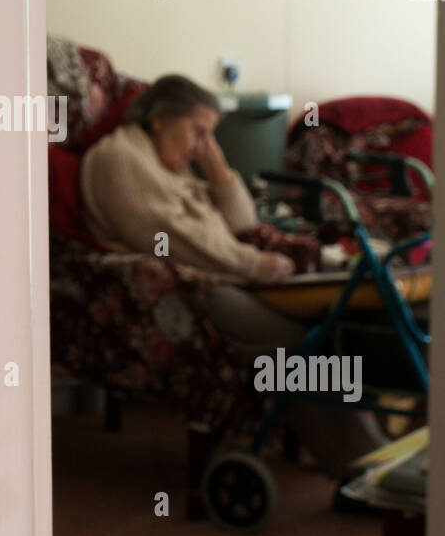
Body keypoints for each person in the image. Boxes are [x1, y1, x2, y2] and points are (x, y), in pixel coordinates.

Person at [79, 74, 388, 486]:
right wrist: (254, 265)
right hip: (187, 290)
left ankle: (362, 454)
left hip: (223, 277)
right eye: (199, 132)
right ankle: (364, 472)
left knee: (332, 323)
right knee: (305, 339)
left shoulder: (167, 163)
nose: (202, 144)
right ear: (160, 119)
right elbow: (175, 241)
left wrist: (218, 169)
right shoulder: (121, 158)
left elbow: (243, 223)